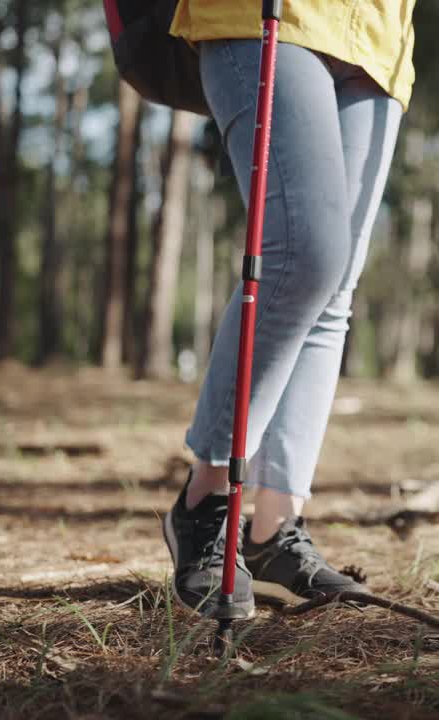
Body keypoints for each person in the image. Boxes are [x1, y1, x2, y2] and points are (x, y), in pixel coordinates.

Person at [161, 0, 416, 617]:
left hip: (377, 36)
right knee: (305, 256)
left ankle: (275, 528)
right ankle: (205, 503)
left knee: (334, 291)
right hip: (266, 15)